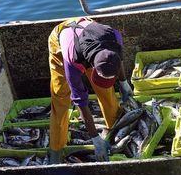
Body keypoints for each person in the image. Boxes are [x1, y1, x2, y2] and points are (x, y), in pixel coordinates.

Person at [48, 17, 135, 163]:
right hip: (63, 38)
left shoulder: (115, 37)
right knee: (60, 97)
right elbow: (80, 101)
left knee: (106, 92)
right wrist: (95, 138)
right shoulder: (72, 60)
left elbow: (118, 60)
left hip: (90, 29)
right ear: (93, 67)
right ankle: (55, 149)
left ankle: (113, 132)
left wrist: (124, 83)